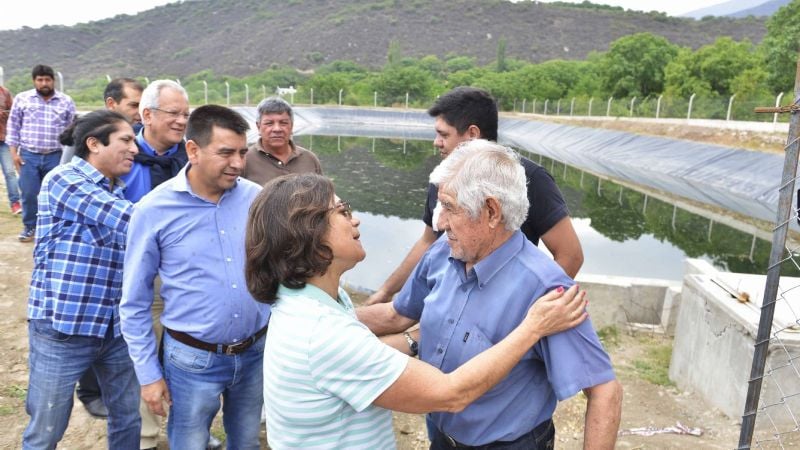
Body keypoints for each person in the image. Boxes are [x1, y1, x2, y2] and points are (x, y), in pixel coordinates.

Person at [244, 172, 588, 449]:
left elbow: (363, 351)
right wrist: (533, 327)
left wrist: (423, 334)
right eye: (343, 211)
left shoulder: (309, 301)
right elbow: (451, 393)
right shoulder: (322, 333)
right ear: (308, 233)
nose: (356, 220)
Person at [358, 140, 622, 449]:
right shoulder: (444, 250)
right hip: (442, 437)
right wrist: (323, 318)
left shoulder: (547, 291)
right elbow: (397, 315)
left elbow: (605, 391)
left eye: (450, 207)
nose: (440, 221)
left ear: (492, 212)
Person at [120, 105, 269, 449]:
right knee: (188, 442)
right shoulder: (153, 210)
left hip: (255, 353)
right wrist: (148, 375)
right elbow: (134, 301)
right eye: (226, 153)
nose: (238, 163)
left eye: (242, 152)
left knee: (246, 441)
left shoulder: (256, 199)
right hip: (191, 360)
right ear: (193, 150)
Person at [366, 86, 582, 305]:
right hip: (444, 306)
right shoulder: (444, 178)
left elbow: (570, 255)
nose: (436, 142)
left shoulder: (529, 178)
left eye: (443, 135)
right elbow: (428, 241)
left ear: (472, 134)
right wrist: (386, 292)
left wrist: (522, 311)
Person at [22, 110, 141, 449]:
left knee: (127, 417)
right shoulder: (65, 179)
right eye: (127, 140)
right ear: (93, 143)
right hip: (63, 328)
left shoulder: (115, 191)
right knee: (47, 428)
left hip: (113, 328)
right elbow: (133, 221)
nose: (135, 149)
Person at [6, 64, 76, 242]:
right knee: (29, 193)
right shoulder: (23, 99)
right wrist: (14, 154)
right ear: (34, 81)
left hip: (56, 156)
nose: (44, 83)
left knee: (55, 194)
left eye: (47, 79)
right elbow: (13, 127)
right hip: (29, 156)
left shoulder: (66, 101)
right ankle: (30, 227)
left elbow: (73, 131)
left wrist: (69, 158)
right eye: (40, 80)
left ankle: (54, 229)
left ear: (53, 81)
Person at [60, 77, 145, 165]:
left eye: (142, 106)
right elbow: (66, 168)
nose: (140, 111)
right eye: (134, 105)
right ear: (111, 104)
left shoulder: (142, 132)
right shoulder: (86, 129)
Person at [242, 96, 321, 186]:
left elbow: (324, 195)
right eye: (269, 123)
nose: (277, 129)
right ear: (258, 126)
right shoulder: (244, 160)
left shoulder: (309, 159)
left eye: (283, 123)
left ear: (291, 126)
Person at [0, 84, 21, 214]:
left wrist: (4, 114)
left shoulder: (4, 92)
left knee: (10, 172)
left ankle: (15, 203)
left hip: (3, 139)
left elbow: (14, 114)